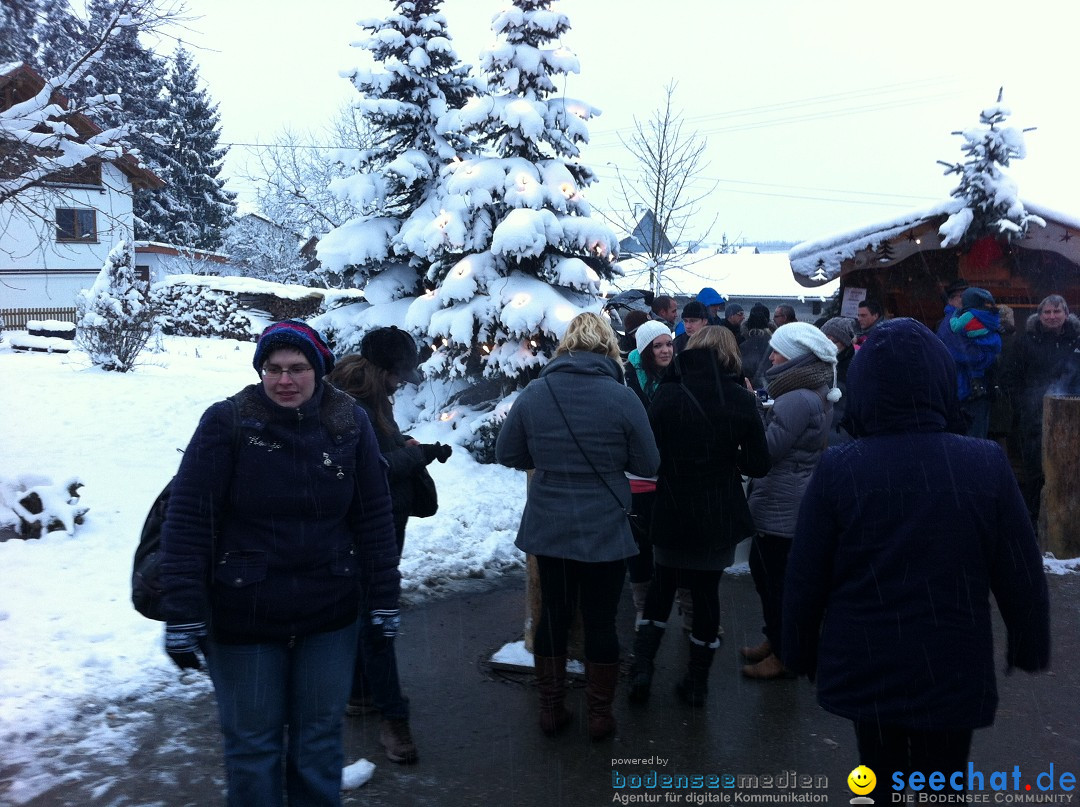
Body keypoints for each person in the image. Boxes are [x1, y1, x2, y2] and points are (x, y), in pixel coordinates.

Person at [782, 318, 1050, 786]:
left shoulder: (841, 467)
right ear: (941, 384)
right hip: (951, 661)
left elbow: (807, 573)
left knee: (880, 773)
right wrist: (1028, 639)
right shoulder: (983, 463)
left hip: (868, 661)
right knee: (943, 782)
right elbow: (1019, 569)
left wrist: (799, 647)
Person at [159, 320, 400, 807]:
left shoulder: (348, 422)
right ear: (260, 370)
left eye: (297, 368)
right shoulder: (228, 422)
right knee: (253, 746)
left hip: (328, 610)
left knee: (317, 742)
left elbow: (374, 518)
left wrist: (383, 599)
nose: (284, 379)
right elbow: (188, 519)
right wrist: (182, 607)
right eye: (273, 368)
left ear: (319, 370)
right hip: (244, 613)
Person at [495, 312, 660, 741]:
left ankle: (551, 709)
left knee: (553, 614)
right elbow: (648, 464)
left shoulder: (536, 392)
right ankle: (600, 714)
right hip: (605, 527)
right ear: (609, 348)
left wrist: (550, 462)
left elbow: (508, 453)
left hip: (550, 525)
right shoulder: (622, 398)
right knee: (601, 620)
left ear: (565, 346)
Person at [326, 327, 451, 765]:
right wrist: (416, 456)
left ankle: (361, 693)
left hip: (377, 523)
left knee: (364, 611)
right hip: (367, 527)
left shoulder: (366, 396)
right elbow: (372, 470)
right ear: (383, 371)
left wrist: (409, 444)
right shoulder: (352, 404)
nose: (402, 382)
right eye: (399, 374)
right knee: (377, 617)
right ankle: (393, 719)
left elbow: (380, 449)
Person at [630, 326, 770, 707]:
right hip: (717, 511)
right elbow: (759, 462)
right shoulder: (741, 399)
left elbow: (650, 454)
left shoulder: (668, 393)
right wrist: (728, 459)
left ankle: (642, 668)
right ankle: (696, 682)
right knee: (706, 593)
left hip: (673, 506)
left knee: (662, 586)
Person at [743, 322, 840, 680]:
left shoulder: (796, 398)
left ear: (796, 357)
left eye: (778, 351)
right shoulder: (807, 390)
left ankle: (785, 653)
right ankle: (778, 640)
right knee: (773, 576)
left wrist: (752, 413)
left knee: (773, 581)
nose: (771, 355)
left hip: (781, 502)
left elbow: (766, 451)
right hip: (790, 496)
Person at [1000, 294, 1080, 519]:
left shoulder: (1077, 340)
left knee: (1070, 470)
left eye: (1057, 311)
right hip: (1034, 419)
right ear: (1040, 314)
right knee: (1036, 472)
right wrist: (1024, 403)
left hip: (1073, 417)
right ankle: (1035, 521)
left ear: (1066, 313)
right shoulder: (1026, 342)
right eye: (1047, 312)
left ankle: (1067, 519)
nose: (1052, 316)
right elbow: (1009, 377)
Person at [623, 319, 674, 621]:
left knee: (670, 543)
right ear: (645, 350)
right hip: (637, 475)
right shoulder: (629, 380)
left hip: (669, 472)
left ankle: (679, 604)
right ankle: (643, 608)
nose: (666, 350)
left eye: (669, 343)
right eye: (658, 346)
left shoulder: (678, 375)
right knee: (639, 545)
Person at [936, 287, 1002, 439]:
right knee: (972, 441)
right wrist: (991, 356)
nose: (963, 300)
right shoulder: (952, 323)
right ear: (952, 299)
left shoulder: (971, 318)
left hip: (970, 390)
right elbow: (966, 354)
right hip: (966, 391)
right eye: (960, 296)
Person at [819, 316, 857, 446]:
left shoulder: (856, 366)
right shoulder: (815, 361)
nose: (828, 345)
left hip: (842, 433)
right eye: (825, 340)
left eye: (834, 341)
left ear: (846, 343)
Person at [740, 304, 773, 390]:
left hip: (750, 387)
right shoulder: (774, 344)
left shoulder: (744, 345)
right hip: (772, 386)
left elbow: (743, 369)